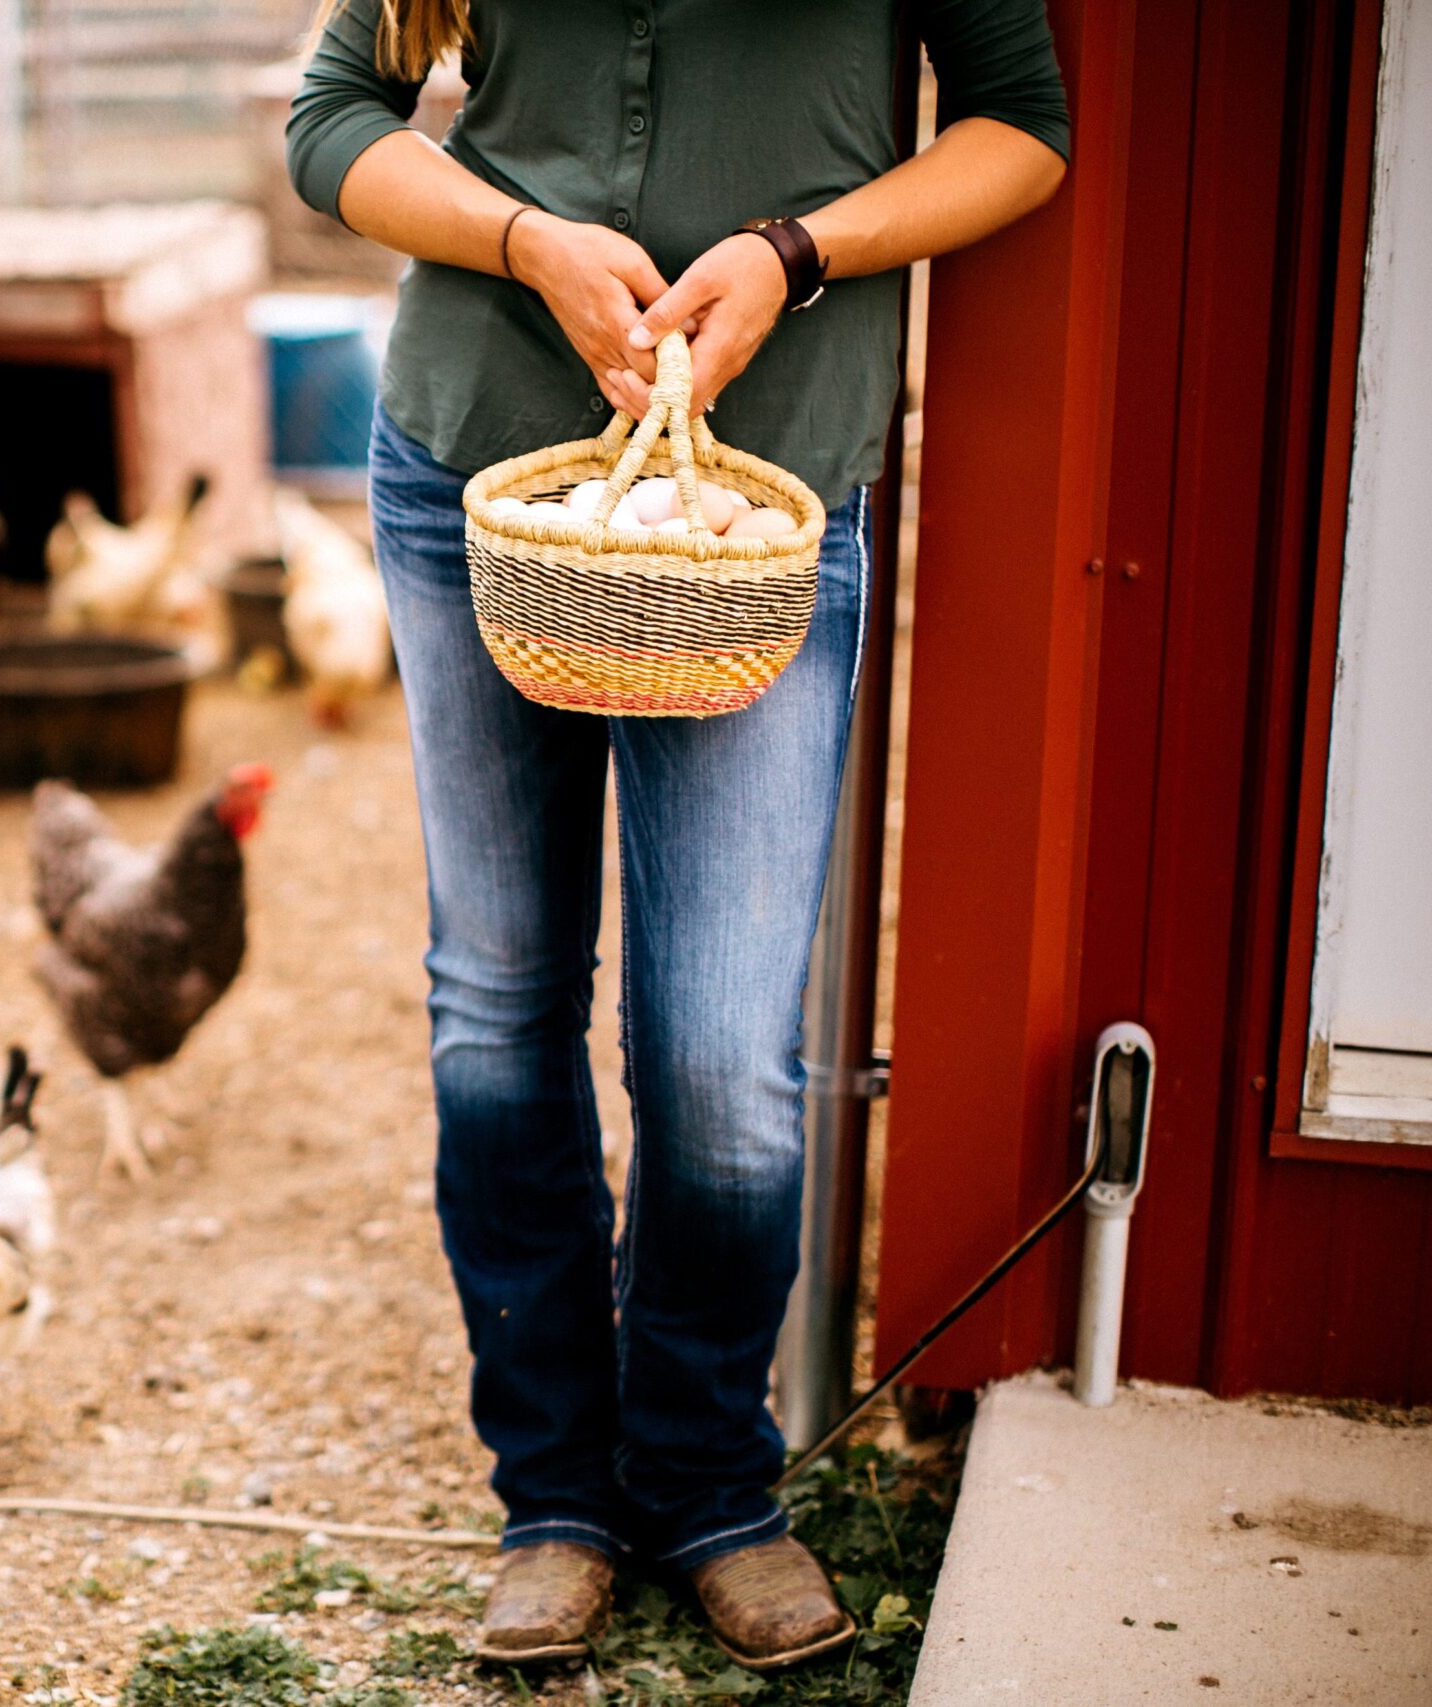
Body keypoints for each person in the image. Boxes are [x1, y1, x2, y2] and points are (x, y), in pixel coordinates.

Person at [286, 0, 1069, 1672]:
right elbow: (331, 120)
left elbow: (1024, 125)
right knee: (498, 999)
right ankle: (555, 1500)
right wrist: (525, 241)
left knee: (720, 1057)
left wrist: (799, 252)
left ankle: (706, 1486)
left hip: (763, 494)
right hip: (471, 463)